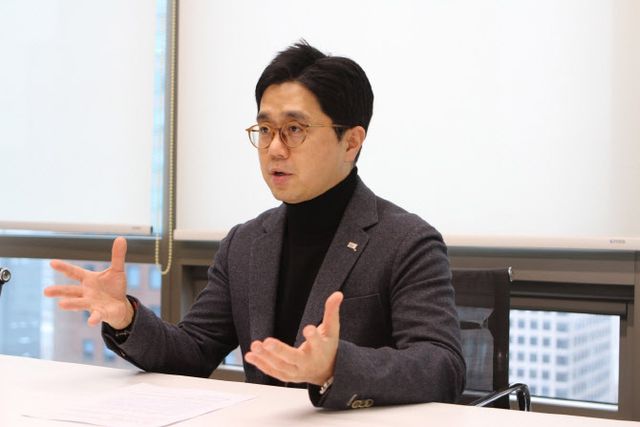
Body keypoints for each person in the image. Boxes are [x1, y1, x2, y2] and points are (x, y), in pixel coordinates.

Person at [44, 41, 465, 409]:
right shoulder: (245, 242)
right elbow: (192, 351)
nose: (274, 148)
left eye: (294, 129)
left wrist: (335, 365)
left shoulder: (406, 241)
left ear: (351, 141)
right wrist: (125, 317)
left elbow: (442, 367)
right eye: (265, 130)